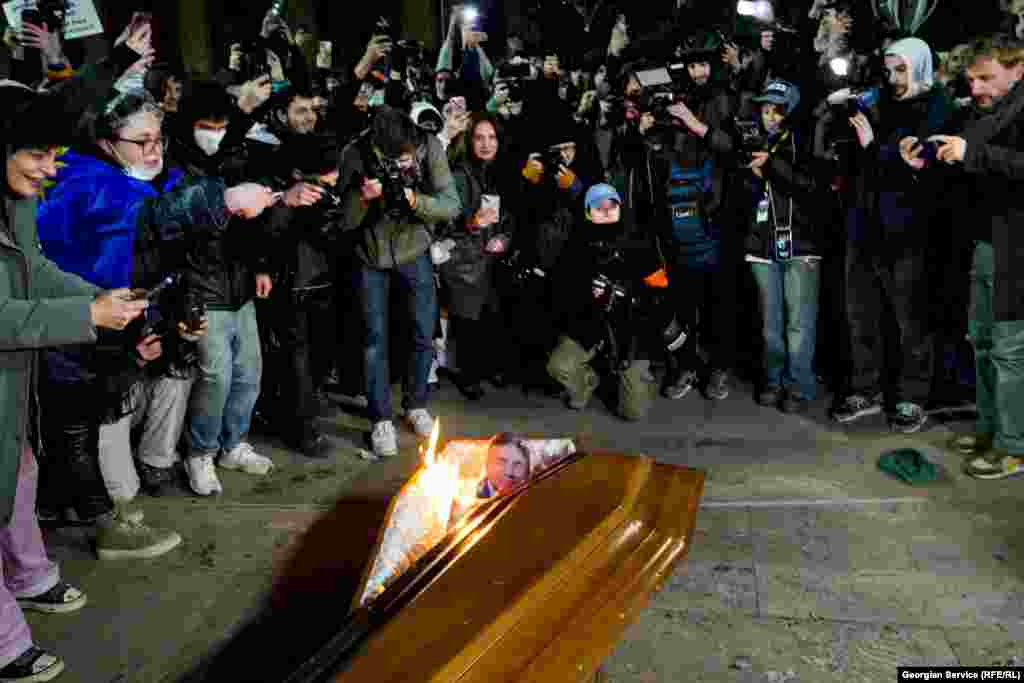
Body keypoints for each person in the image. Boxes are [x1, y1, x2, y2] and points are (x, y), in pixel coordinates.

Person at [0, 82, 153, 682]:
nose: (50, 168)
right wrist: (85, 316)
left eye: (54, 154)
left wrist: (94, 296)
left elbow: (32, 268)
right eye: (36, 154)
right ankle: (6, 642)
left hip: (11, 381)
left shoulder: (11, 202)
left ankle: (29, 576)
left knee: (19, 469)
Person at [900, 34, 1024, 478]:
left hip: (1018, 249)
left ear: (1018, 69)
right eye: (972, 79)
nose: (977, 88)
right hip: (987, 242)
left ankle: (1015, 445)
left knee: (1010, 351)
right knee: (985, 343)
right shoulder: (982, 113)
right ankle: (992, 429)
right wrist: (930, 158)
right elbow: (973, 169)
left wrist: (972, 151)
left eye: (987, 78)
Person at [167, 82, 281, 496]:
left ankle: (234, 443)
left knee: (249, 372)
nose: (212, 134)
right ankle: (200, 453)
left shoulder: (236, 157)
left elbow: (252, 222)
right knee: (214, 377)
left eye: (220, 126)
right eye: (204, 125)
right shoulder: (176, 165)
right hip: (201, 286)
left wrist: (261, 265)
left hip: (240, 284)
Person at [338, 106, 461, 457]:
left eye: (409, 157)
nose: (405, 162)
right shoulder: (355, 153)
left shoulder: (428, 146)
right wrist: (363, 197)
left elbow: (451, 204)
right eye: (397, 159)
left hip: (414, 248)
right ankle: (380, 419)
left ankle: (416, 403)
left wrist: (413, 200)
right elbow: (344, 221)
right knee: (374, 338)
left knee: (423, 330)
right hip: (371, 255)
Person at [735, 81, 825, 413]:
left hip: (801, 242)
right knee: (769, 323)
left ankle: (799, 385)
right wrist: (752, 174)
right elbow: (741, 198)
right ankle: (774, 380)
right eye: (764, 108)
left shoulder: (805, 141)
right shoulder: (752, 143)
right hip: (761, 243)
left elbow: (812, 188)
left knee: (799, 324)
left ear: (790, 111)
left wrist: (771, 164)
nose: (768, 115)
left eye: (776, 109)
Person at [547, 183, 662, 421]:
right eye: (599, 207)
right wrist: (588, 297)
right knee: (559, 365)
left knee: (633, 413)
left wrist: (630, 293)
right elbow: (562, 292)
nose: (607, 210)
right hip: (591, 325)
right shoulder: (575, 245)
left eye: (612, 205)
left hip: (630, 331)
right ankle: (587, 382)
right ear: (588, 212)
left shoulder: (638, 240)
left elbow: (659, 291)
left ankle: (634, 377)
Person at [439, 113, 518, 400]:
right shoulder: (460, 174)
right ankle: (468, 374)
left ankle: (487, 367)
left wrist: (504, 237)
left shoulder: (502, 171)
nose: (486, 144)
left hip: (493, 254)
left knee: (492, 313)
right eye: (479, 137)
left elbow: (509, 216)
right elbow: (444, 219)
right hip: (464, 258)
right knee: (468, 319)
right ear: (469, 140)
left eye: (492, 137)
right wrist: (471, 223)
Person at [478, 433, 531, 498]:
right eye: (502, 463)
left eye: (517, 465)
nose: (509, 472)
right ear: (487, 464)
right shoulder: (470, 501)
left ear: (527, 471)